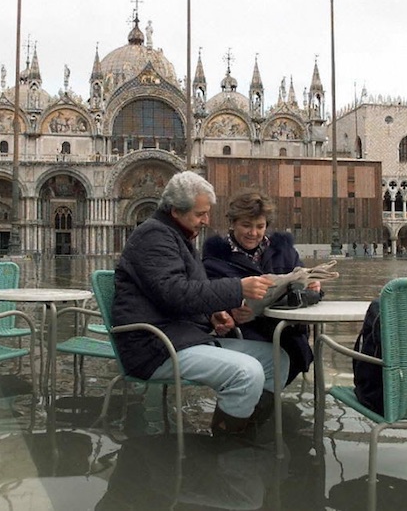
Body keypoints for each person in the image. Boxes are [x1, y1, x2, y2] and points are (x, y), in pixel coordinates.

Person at [112, 171, 290, 439]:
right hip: (154, 347)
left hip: (181, 337)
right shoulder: (153, 237)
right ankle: (225, 444)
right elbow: (174, 292)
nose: (206, 221)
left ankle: (242, 427)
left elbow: (182, 293)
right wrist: (238, 288)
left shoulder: (177, 236)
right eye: (200, 214)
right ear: (175, 211)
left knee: (277, 359)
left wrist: (212, 315)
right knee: (247, 372)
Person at [202, 188, 321, 385]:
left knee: (291, 358)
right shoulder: (214, 260)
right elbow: (208, 299)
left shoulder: (285, 252)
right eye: (246, 225)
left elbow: (310, 292)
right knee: (263, 370)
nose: (253, 233)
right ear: (232, 224)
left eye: (260, 226)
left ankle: (256, 411)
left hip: (288, 334)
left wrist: (312, 288)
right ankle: (257, 411)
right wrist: (229, 313)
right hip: (246, 334)